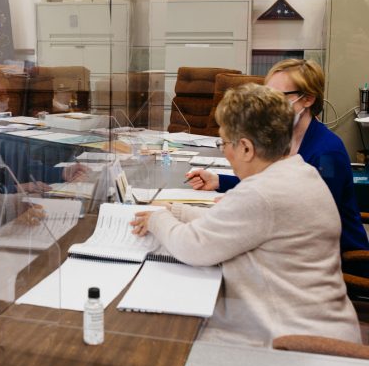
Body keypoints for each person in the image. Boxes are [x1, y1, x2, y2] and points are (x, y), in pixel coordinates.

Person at [131, 84, 361, 345]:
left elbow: (192, 246)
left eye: (224, 143)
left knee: (163, 340)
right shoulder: (298, 171)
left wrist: (156, 219)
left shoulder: (261, 194)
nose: (224, 151)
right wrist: (178, 211)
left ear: (246, 148)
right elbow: (231, 225)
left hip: (292, 343)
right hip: (318, 327)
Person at [187, 59, 369, 263]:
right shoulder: (283, 137)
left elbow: (311, 221)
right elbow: (275, 187)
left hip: (331, 257)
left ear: (307, 99)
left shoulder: (328, 153)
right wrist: (219, 181)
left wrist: (246, 208)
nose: (267, 104)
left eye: (277, 97)